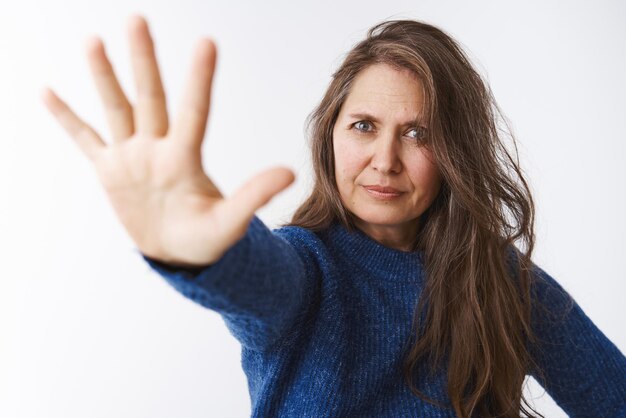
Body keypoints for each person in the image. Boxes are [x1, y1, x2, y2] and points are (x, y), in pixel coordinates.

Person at [42, 14, 625, 418]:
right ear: (331, 136)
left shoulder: (500, 279)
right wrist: (198, 253)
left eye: (418, 134)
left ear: (455, 154)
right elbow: (257, 275)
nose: (385, 160)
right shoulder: (307, 266)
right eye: (364, 126)